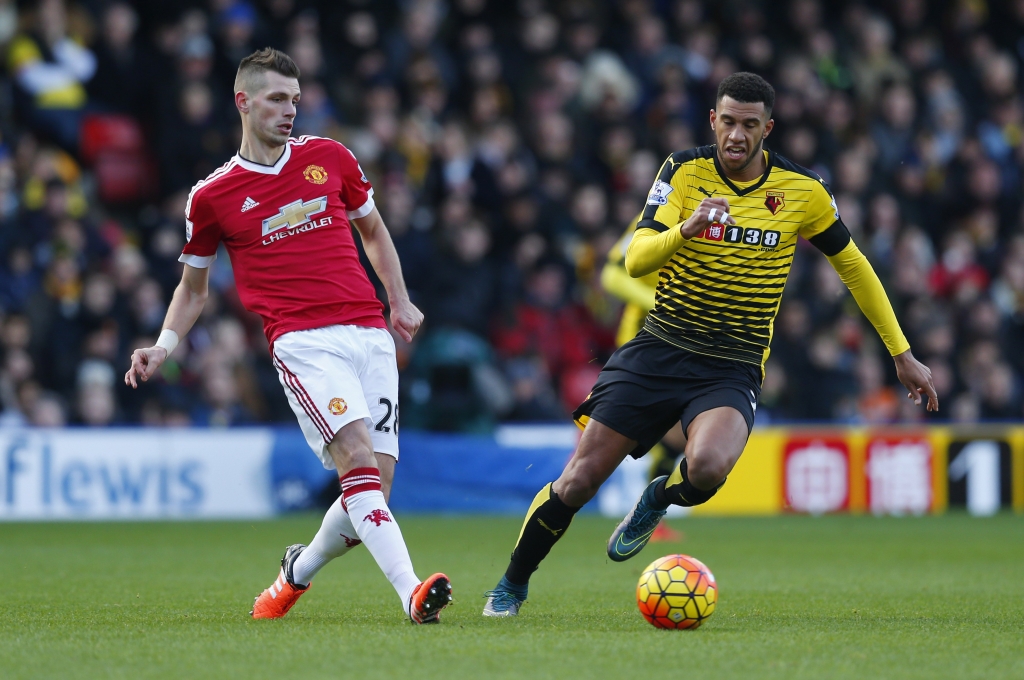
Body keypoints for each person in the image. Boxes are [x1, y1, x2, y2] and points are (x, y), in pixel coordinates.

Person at [482, 72, 938, 617]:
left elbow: (854, 267)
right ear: (713, 121)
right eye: (728, 122)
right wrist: (688, 229)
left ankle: (657, 498)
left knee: (708, 468)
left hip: (732, 364)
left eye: (750, 124)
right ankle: (512, 582)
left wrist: (900, 352)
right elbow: (635, 259)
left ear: (768, 128)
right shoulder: (682, 171)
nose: (737, 134)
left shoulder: (802, 191)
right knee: (578, 480)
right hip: (660, 347)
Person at [124, 48, 452, 624]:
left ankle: (294, 574)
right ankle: (411, 594)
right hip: (302, 340)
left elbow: (373, 230)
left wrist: (398, 299)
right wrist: (164, 345)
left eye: (295, 100)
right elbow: (193, 289)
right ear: (242, 102)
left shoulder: (331, 158)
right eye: (277, 98)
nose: (289, 110)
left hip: (369, 331)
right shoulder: (212, 196)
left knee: (375, 486)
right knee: (355, 458)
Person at [600, 215, 686, 542]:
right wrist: (659, 304)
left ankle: (650, 517)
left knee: (678, 435)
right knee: (617, 434)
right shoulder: (651, 221)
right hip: (643, 342)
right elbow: (610, 275)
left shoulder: (725, 225)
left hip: (686, 345)